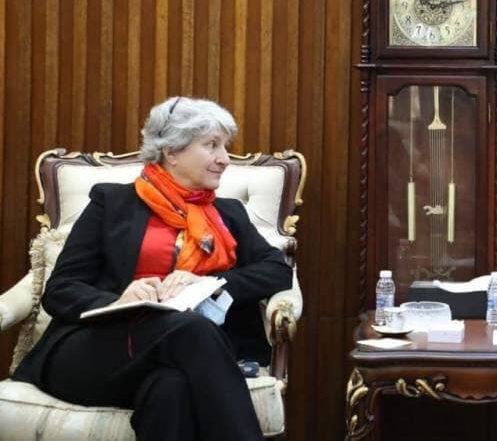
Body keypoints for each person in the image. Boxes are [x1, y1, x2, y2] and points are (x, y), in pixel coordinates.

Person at [13, 97, 292, 440]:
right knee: (190, 330)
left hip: (181, 356)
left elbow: (277, 271)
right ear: (171, 151)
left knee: (170, 389)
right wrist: (117, 300)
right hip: (99, 350)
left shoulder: (228, 213)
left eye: (225, 146)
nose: (224, 158)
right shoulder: (111, 203)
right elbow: (60, 289)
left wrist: (208, 282)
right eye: (211, 145)